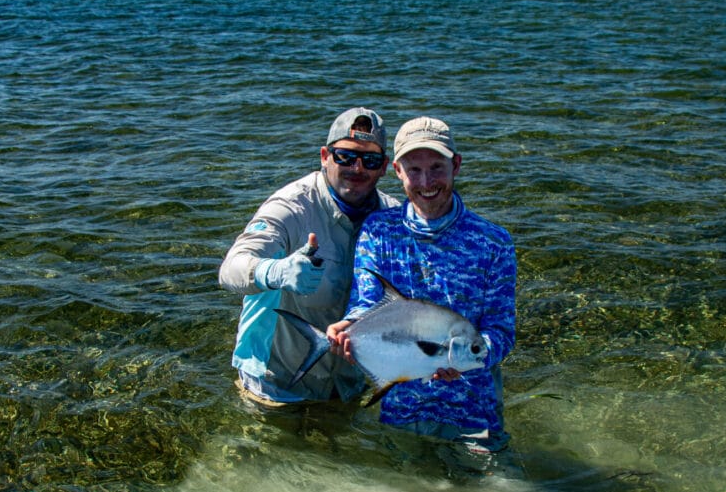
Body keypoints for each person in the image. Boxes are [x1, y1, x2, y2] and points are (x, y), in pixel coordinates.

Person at [329, 116, 517, 452]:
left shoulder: (494, 242)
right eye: (414, 170)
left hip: (473, 414)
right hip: (399, 410)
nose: (426, 181)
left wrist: (465, 357)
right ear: (397, 172)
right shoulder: (378, 231)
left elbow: (502, 331)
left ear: (456, 165)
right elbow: (368, 302)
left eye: (436, 167)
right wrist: (350, 326)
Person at [219, 107, 401, 405]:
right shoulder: (291, 207)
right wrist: (273, 271)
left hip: (345, 386)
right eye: (345, 155)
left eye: (370, 160)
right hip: (275, 386)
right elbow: (230, 269)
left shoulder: (392, 216)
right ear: (324, 157)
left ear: (384, 167)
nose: (357, 168)